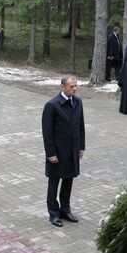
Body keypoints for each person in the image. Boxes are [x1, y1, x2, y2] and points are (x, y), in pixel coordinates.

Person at [41, 76, 85, 227]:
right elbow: (47, 133)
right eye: (71, 86)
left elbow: (80, 127)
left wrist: (81, 147)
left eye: (76, 86)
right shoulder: (52, 105)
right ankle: (53, 214)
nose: (75, 88)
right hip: (57, 152)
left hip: (72, 151)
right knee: (54, 182)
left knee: (68, 181)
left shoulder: (78, 102)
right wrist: (50, 154)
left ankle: (65, 210)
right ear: (63, 87)